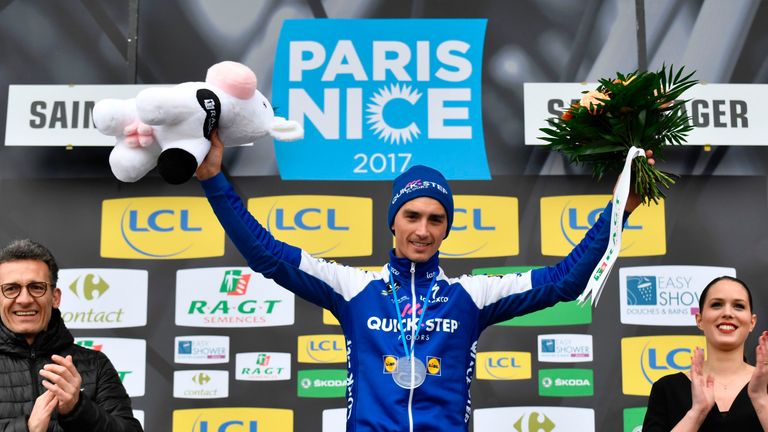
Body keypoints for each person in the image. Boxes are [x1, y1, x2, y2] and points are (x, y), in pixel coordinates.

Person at [196, 131, 652, 431]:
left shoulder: (472, 295)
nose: (423, 230)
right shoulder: (352, 287)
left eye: (436, 219)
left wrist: (620, 209)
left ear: (446, 229)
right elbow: (266, 254)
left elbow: (564, 281)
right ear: (392, 223)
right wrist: (215, 179)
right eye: (411, 216)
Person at [0, 239, 143, 432]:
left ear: (55, 297)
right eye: (11, 289)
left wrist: (78, 409)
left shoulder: (96, 365)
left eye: (36, 287)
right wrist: (26, 429)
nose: (24, 299)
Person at [643, 276, 768, 431]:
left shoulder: (764, 386)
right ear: (699, 319)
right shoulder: (667, 389)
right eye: (716, 305)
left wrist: (761, 399)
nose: (728, 313)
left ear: (752, 322)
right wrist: (697, 411)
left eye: (738, 306)